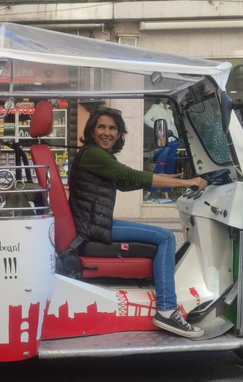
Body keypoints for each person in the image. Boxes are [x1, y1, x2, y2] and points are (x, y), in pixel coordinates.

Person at [68, 107, 208, 338]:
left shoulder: (96, 155)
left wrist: (171, 180)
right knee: (165, 237)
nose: (107, 132)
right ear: (92, 131)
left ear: (119, 133)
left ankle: (159, 291)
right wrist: (187, 183)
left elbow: (125, 182)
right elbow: (129, 177)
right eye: (101, 127)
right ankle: (167, 309)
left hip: (92, 223)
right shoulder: (92, 154)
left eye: (112, 128)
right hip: (92, 228)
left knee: (161, 237)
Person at [144, 98, 180, 201]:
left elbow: (172, 124)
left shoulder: (169, 110)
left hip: (174, 140)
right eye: (164, 97)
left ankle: (166, 192)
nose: (166, 98)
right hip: (164, 140)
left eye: (167, 97)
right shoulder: (155, 108)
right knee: (161, 165)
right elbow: (145, 119)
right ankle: (152, 191)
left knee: (170, 167)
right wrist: (159, 129)